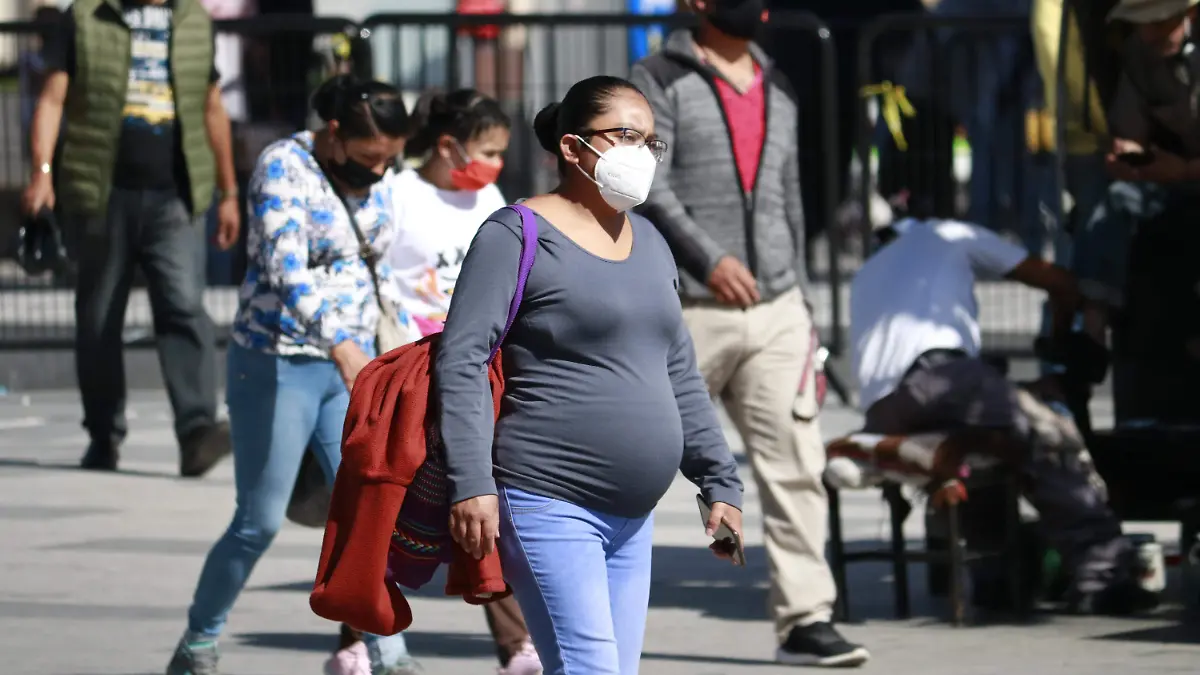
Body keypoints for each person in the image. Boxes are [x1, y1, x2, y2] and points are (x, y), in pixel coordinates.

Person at [434, 74, 745, 675]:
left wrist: (719, 480)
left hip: (633, 516)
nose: (642, 153)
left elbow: (678, 368)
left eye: (651, 141)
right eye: (626, 136)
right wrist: (471, 482)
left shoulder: (650, 240)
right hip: (547, 498)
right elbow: (463, 358)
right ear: (573, 148)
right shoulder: (514, 234)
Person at [630, 1, 868, 667]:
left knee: (797, 465)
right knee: (634, 456)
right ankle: (588, 611)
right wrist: (709, 260)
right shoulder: (659, 78)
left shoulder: (778, 81)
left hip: (776, 306)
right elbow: (651, 185)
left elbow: (790, 193)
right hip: (688, 305)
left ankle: (806, 620)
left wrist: (801, 297)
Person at [166, 75, 419, 675]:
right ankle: (199, 641)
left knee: (367, 514)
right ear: (334, 133)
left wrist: (405, 342)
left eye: (389, 159)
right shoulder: (283, 165)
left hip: (355, 364)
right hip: (279, 359)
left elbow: (376, 266)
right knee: (258, 520)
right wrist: (339, 344)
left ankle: (389, 653)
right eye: (369, 157)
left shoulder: (377, 177)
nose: (379, 171)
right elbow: (285, 269)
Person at [850, 216, 1156, 615]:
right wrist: (1064, 333)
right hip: (938, 373)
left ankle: (996, 576)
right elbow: (1058, 281)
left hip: (882, 409)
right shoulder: (949, 234)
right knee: (1047, 434)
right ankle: (1104, 576)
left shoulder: (868, 270)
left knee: (994, 439)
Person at [24, 0, 240, 476]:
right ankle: (103, 435)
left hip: (176, 194)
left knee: (185, 306)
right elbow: (53, 99)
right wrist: (42, 172)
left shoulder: (192, 19)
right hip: (101, 191)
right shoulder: (87, 16)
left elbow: (212, 107)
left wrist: (229, 191)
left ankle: (196, 432)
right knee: (100, 315)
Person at [383, 88, 541, 675]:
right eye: (488, 151)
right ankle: (363, 633)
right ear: (448, 146)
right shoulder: (398, 195)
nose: (495, 164)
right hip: (415, 372)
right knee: (394, 510)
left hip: (479, 371)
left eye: (501, 153)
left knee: (482, 498)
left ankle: (516, 645)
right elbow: (379, 276)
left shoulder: (489, 199)